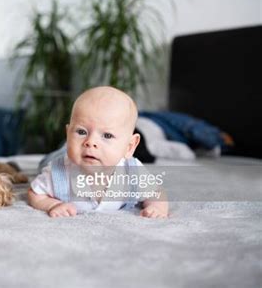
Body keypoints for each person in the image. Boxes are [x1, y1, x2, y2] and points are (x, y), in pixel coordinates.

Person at [28, 86, 169, 218]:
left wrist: (157, 208)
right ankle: (64, 147)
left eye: (107, 135)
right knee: (48, 161)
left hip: (77, 151)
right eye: (81, 131)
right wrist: (53, 204)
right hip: (63, 156)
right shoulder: (57, 172)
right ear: (68, 133)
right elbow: (35, 193)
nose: (91, 142)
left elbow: (156, 193)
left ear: (130, 146)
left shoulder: (133, 172)